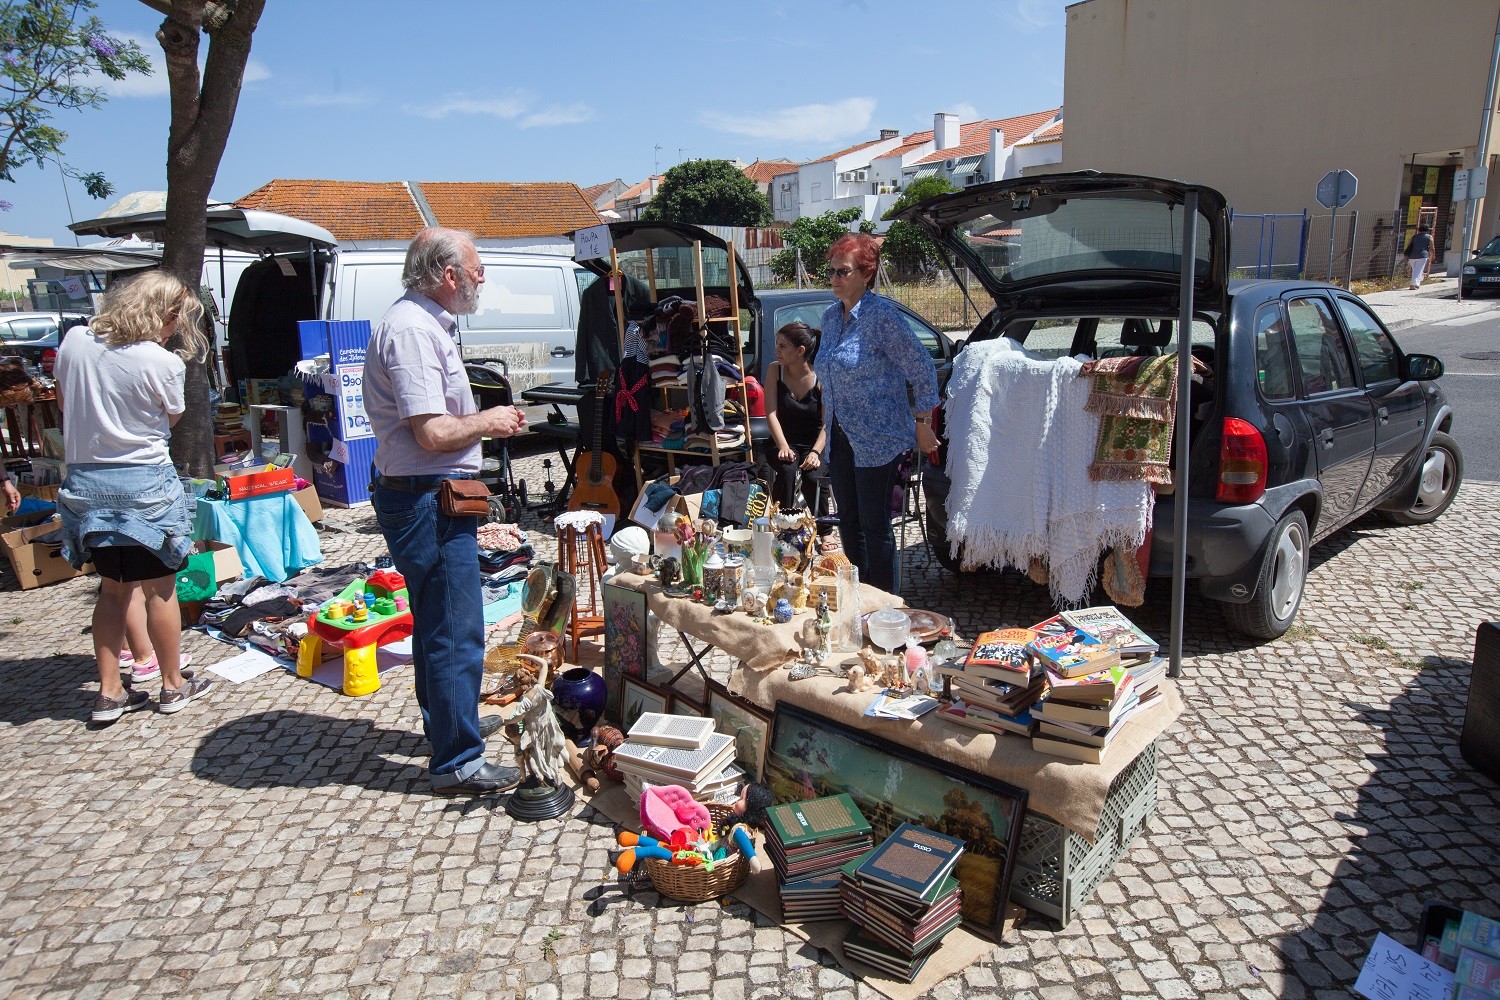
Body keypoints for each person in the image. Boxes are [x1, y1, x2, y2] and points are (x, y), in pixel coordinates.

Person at [364, 227, 528, 798]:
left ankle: (449, 726)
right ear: (448, 274)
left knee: (440, 621)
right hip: (427, 496)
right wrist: (491, 421)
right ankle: (458, 761)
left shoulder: (422, 322)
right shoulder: (413, 329)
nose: (483, 276)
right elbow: (432, 432)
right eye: (477, 267)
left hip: (427, 493)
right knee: (456, 628)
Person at [55, 271, 214, 723]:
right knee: (161, 589)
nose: (175, 328)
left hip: (87, 482)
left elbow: (65, 404)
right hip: (144, 481)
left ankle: (109, 693)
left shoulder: (75, 341)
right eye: (176, 319)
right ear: (163, 313)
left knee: (112, 590)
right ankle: (173, 685)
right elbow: (172, 418)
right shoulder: (161, 361)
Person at [815, 233, 939, 594]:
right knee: (848, 522)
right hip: (841, 433)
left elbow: (921, 367)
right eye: (832, 271)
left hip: (878, 437)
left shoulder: (881, 316)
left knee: (874, 525)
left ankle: (885, 605)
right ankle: (860, 598)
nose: (834, 278)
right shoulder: (830, 317)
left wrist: (922, 422)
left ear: (866, 274)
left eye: (843, 271)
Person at [761, 321, 829, 522]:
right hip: (783, 439)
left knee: (812, 477)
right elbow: (771, 414)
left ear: (800, 351)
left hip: (814, 443)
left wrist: (815, 452)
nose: (776, 351)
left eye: (782, 346)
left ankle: (824, 529)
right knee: (787, 470)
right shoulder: (775, 370)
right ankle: (782, 523)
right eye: (777, 344)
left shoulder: (821, 376)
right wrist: (783, 446)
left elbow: (828, 423)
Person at [1405, 223, 1433, 290]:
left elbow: (1409, 245)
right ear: (1427, 230)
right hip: (1422, 256)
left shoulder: (1414, 236)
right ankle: (1412, 285)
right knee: (1417, 271)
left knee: (1416, 270)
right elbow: (1432, 247)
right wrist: (1432, 255)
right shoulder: (1429, 237)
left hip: (1412, 256)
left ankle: (1417, 284)